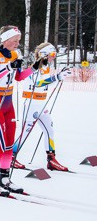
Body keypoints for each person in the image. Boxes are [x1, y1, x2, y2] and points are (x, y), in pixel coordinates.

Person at [0, 25, 37, 196]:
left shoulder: (15, 55)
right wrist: (7, 68)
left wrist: (35, 67)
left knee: (8, 144)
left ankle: (4, 177)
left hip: (8, 102)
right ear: (5, 40)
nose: (17, 43)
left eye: (18, 41)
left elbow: (19, 77)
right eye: (14, 40)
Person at [12, 43, 72, 171]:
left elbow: (46, 85)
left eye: (54, 55)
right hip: (31, 104)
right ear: (43, 54)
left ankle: (51, 160)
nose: (53, 58)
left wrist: (59, 77)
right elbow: (37, 83)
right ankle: (11, 157)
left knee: (49, 131)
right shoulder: (35, 67)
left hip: (42, 104)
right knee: (25, 133)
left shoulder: (45, 68)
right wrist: (56, 77)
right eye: (51, 55)